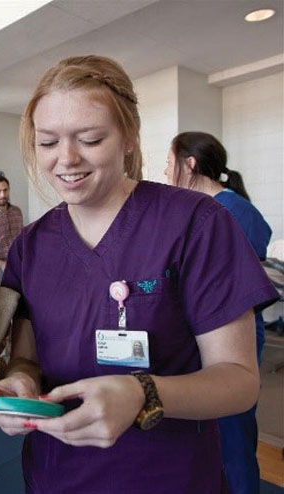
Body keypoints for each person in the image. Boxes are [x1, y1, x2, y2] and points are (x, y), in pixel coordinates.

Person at [0, 55, 278, 493]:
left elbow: (238, 379)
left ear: (129, 137)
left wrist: (143, 393)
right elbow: (28, 360)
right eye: (47, 143)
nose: (66, 159)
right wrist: (18, 383)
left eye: (91, 138)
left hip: (168, 476)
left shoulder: (196, 223)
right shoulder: (32, 246)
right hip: (57, 473)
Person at [165, 131, 272, 494]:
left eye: (169, 163)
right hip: (201, 333)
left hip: (233, 330)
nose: (166, 172)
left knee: (232, 432)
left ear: (189, 164)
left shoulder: (230, 211)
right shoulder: (201, 209)